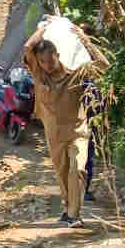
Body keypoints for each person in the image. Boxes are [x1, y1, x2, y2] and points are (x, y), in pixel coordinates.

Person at [21, 22, 110, 229]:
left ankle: (74, 214)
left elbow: (104, 65)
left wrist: (85, 40)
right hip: (54, 134)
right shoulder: (38, 74)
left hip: (78, 131)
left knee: (78, 170)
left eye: (50, 59)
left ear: (58, 55)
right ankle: (69, 208)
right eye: (42, 61)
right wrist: (44, 26)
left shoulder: (76, 74)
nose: (47, 64)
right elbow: (27, 48)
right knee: (62, 173)